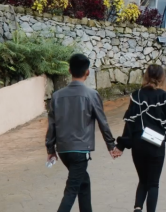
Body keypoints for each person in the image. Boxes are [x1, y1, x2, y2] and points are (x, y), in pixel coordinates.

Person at [46, 53, 118, 212]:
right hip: (80, 151)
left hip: (63, 150)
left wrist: (50, 149)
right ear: (87, 72)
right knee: (72, 189)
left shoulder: (57, 96)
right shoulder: (91, 95)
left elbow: (51, 125)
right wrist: (111, 145)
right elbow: (102, 122)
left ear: (69, 71)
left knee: (83, 183)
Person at [115, 65, 166, 212]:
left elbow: (130, 123)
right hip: (156, 144)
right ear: (162, 78)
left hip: (138, 144)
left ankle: (137, 208)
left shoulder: (136, 96)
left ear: (146, 76)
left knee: (143, 180)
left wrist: (120, 146)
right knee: (153, 183)